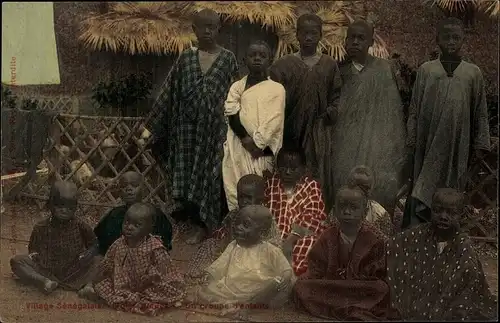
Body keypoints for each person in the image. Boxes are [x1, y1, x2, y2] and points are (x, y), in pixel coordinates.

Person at [148, 9, 239, 244]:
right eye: (203, 27)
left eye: (212, 27)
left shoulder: (228, 59)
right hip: (186, 130)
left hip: (214, 131)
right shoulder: (185, 58)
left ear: (219, 29)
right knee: (186, 173)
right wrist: (151, 127)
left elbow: (237, 95)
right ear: (194, 30)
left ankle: (204, 224)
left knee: (209, 175)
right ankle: (186, 222)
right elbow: (168, 92)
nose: (207, 31)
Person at [403, 18, 491, 228]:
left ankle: (447, 233)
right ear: (437, 40)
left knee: (451, 190)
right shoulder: (426, 70)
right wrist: (412, 139)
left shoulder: (473, 73)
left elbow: (480, 112)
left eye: (456, 37)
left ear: (463, 40)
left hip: (456, 144)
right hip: (428, 142)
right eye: (446, 37)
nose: (451, 41)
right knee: (423, 184)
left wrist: (480, 144)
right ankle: (419, 231)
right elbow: (414, 108)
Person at [330, 19, 406, 214]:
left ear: (371, 42)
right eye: (351, 38)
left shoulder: (383, 69)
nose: (355, 42)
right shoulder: (339, 71)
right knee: (342, 182)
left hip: (375, 141)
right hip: (345, 142)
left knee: (374, 187)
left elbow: (392, 112)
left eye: (361, 38)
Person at [387, 188, 497, 321]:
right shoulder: (420, 234)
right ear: (431, 210)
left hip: (452, 302)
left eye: (451, 213)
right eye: (437, 210)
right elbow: (392, 245)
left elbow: (466, 281)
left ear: (461, 215)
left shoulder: (463, 245)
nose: (443, 217)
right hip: (419, 298)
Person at [269, 13, 342, 210]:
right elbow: (273, 98)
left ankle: (316, 213)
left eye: (313, 33)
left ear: (320, 35)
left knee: (318, 171)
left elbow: (336, 96)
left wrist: (329, 113)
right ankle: (289, 212)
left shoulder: (329, 65)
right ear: (297, 35)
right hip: (291, 131)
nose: (308, 37)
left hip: (319, 130)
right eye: (304, 33)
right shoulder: (282, 66)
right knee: (291, 169)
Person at [293, 185, 397, 321]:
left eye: (353, 207)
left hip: (359, 289)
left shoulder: (373, 240)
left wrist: (354, 279)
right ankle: (354, 309)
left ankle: (339, 307)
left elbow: (378, 273)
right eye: (342, 207)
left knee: (381, 289)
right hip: (331, 285)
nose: (347, 212)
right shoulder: (327, 236)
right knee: (300, 286)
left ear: (364, 212)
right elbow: (316, 267)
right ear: (335, 210)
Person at [188, 205, 294, 320]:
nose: (238, 228)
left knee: (274, 284)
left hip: (257, 290)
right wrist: (210, 275)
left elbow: (285, 269)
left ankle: (245, 307)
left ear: (262, 232)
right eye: (237, 223)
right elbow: (220, 264)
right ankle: (232, 304)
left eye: (246, 225)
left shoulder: (270, 250)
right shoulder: (234, 245)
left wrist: (284, 277)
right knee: (206, 289)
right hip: (231, 288)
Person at [83, 203, 186, 316]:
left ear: (149, 228)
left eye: (137, 225)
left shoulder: (154, 247)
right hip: (122, 283)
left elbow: (165, 269)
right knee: (102, 285)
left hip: (147, 285)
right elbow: (108, 262)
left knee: (161, 291)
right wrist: (102, 274)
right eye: (127, 222)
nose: (129, 227)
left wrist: (153, 277)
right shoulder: (119, 243)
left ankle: (137, 300)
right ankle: (123, 298)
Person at [222, 40, 285, 211]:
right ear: (245, 60)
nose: (257, 59)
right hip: (239, 147)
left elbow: (274, 119)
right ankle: (237, 223)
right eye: (252, 55)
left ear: (270, 60)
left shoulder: (277, 89)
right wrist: (245, 139)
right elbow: (231, 111)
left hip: (262, 151)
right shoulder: (237, 87)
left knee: (260, 192)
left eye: (262, 56)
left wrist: (258, 143)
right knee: (237, 190)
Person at [185, 174, 281, 281]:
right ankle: (196, 274)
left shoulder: (266, 220)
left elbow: (273, 248)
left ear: (261, 199)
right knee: (209, 244)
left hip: (254, 260)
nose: (244, 201)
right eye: (241, 197)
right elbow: (225, 242)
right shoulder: (233, 215)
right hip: (231, 253)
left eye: (249, 198)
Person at [10, 181, 100, 294]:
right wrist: (35, 256)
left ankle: (88, 286)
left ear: (75, 208)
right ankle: (44, 281)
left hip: (74, 270)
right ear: (51, 205)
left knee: (99, 260)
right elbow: (33, 249)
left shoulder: (80, 225)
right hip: (47, 270)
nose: (64, 210)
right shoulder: (41, 227)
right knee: (17, 261)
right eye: (60, 206)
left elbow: (94, 244)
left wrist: (88, 254)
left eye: (69, 208)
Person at [265, 144, 328, 276]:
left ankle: (297, 276)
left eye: (293, 168)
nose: (287, 172)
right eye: (283, 167)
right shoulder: (271, 185)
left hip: (302, 235)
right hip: (274, 236)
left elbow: (314, 215)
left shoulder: (311, 186)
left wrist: (291, 239)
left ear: (303, 169)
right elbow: (265, 212)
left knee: (311, 246)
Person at [93, 171, 172, 255]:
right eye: (124, 186)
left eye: (134, 185)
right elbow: (99, 240)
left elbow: (165, 241)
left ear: (144, 189)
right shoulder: (113, 215)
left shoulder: (154, 214)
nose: (129, 189)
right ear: (119, 192)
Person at [346, 165, 394, 237]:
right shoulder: (338, 210)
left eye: (364, 188)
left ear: (370, 190)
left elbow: (386, 244)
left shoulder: (380, 214)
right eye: (355, 186)